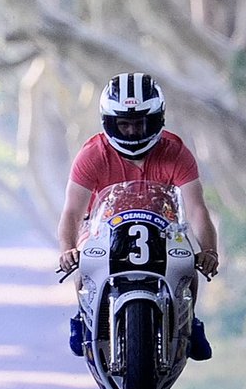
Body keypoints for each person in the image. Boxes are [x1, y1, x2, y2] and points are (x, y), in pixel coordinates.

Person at [57, 72, 220, 360]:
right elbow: (72, 211)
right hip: (103, 230)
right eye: (124, 124)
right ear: (109, 122)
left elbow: (196, 209)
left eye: (139, 123)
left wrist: (209, 251)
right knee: (85, 264)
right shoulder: (91, 155)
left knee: (187, 267)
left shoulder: (177, 152)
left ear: (157, 120)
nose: (132, 131)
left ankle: (189, 321)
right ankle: (82, 318)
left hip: (163, 228)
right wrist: (68, 249)